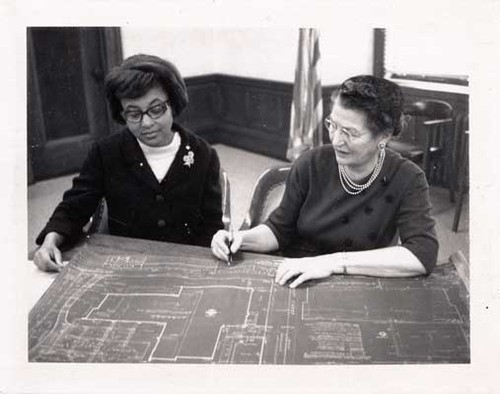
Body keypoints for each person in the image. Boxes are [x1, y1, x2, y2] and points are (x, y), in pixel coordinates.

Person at [211, 75, 438, 287]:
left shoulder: (407, 177)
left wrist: (332, 263)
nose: (337, 140)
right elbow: (279, 231)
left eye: (350, 132)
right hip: (295, 272)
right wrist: (239, 238)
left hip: (356, 283)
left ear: (384, 136)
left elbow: (421, 255)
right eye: (333, 125)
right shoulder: (311, 162)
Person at [34, 54, 223, 271]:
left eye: (156, 109)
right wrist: (50, 241)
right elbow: (73, 208)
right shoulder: (106, 153)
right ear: (122, 114)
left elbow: (212, 226)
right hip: (126, 267)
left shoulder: (203, 154)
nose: (147, 123)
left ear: (173, 103)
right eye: (134, 114)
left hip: (185, 266)